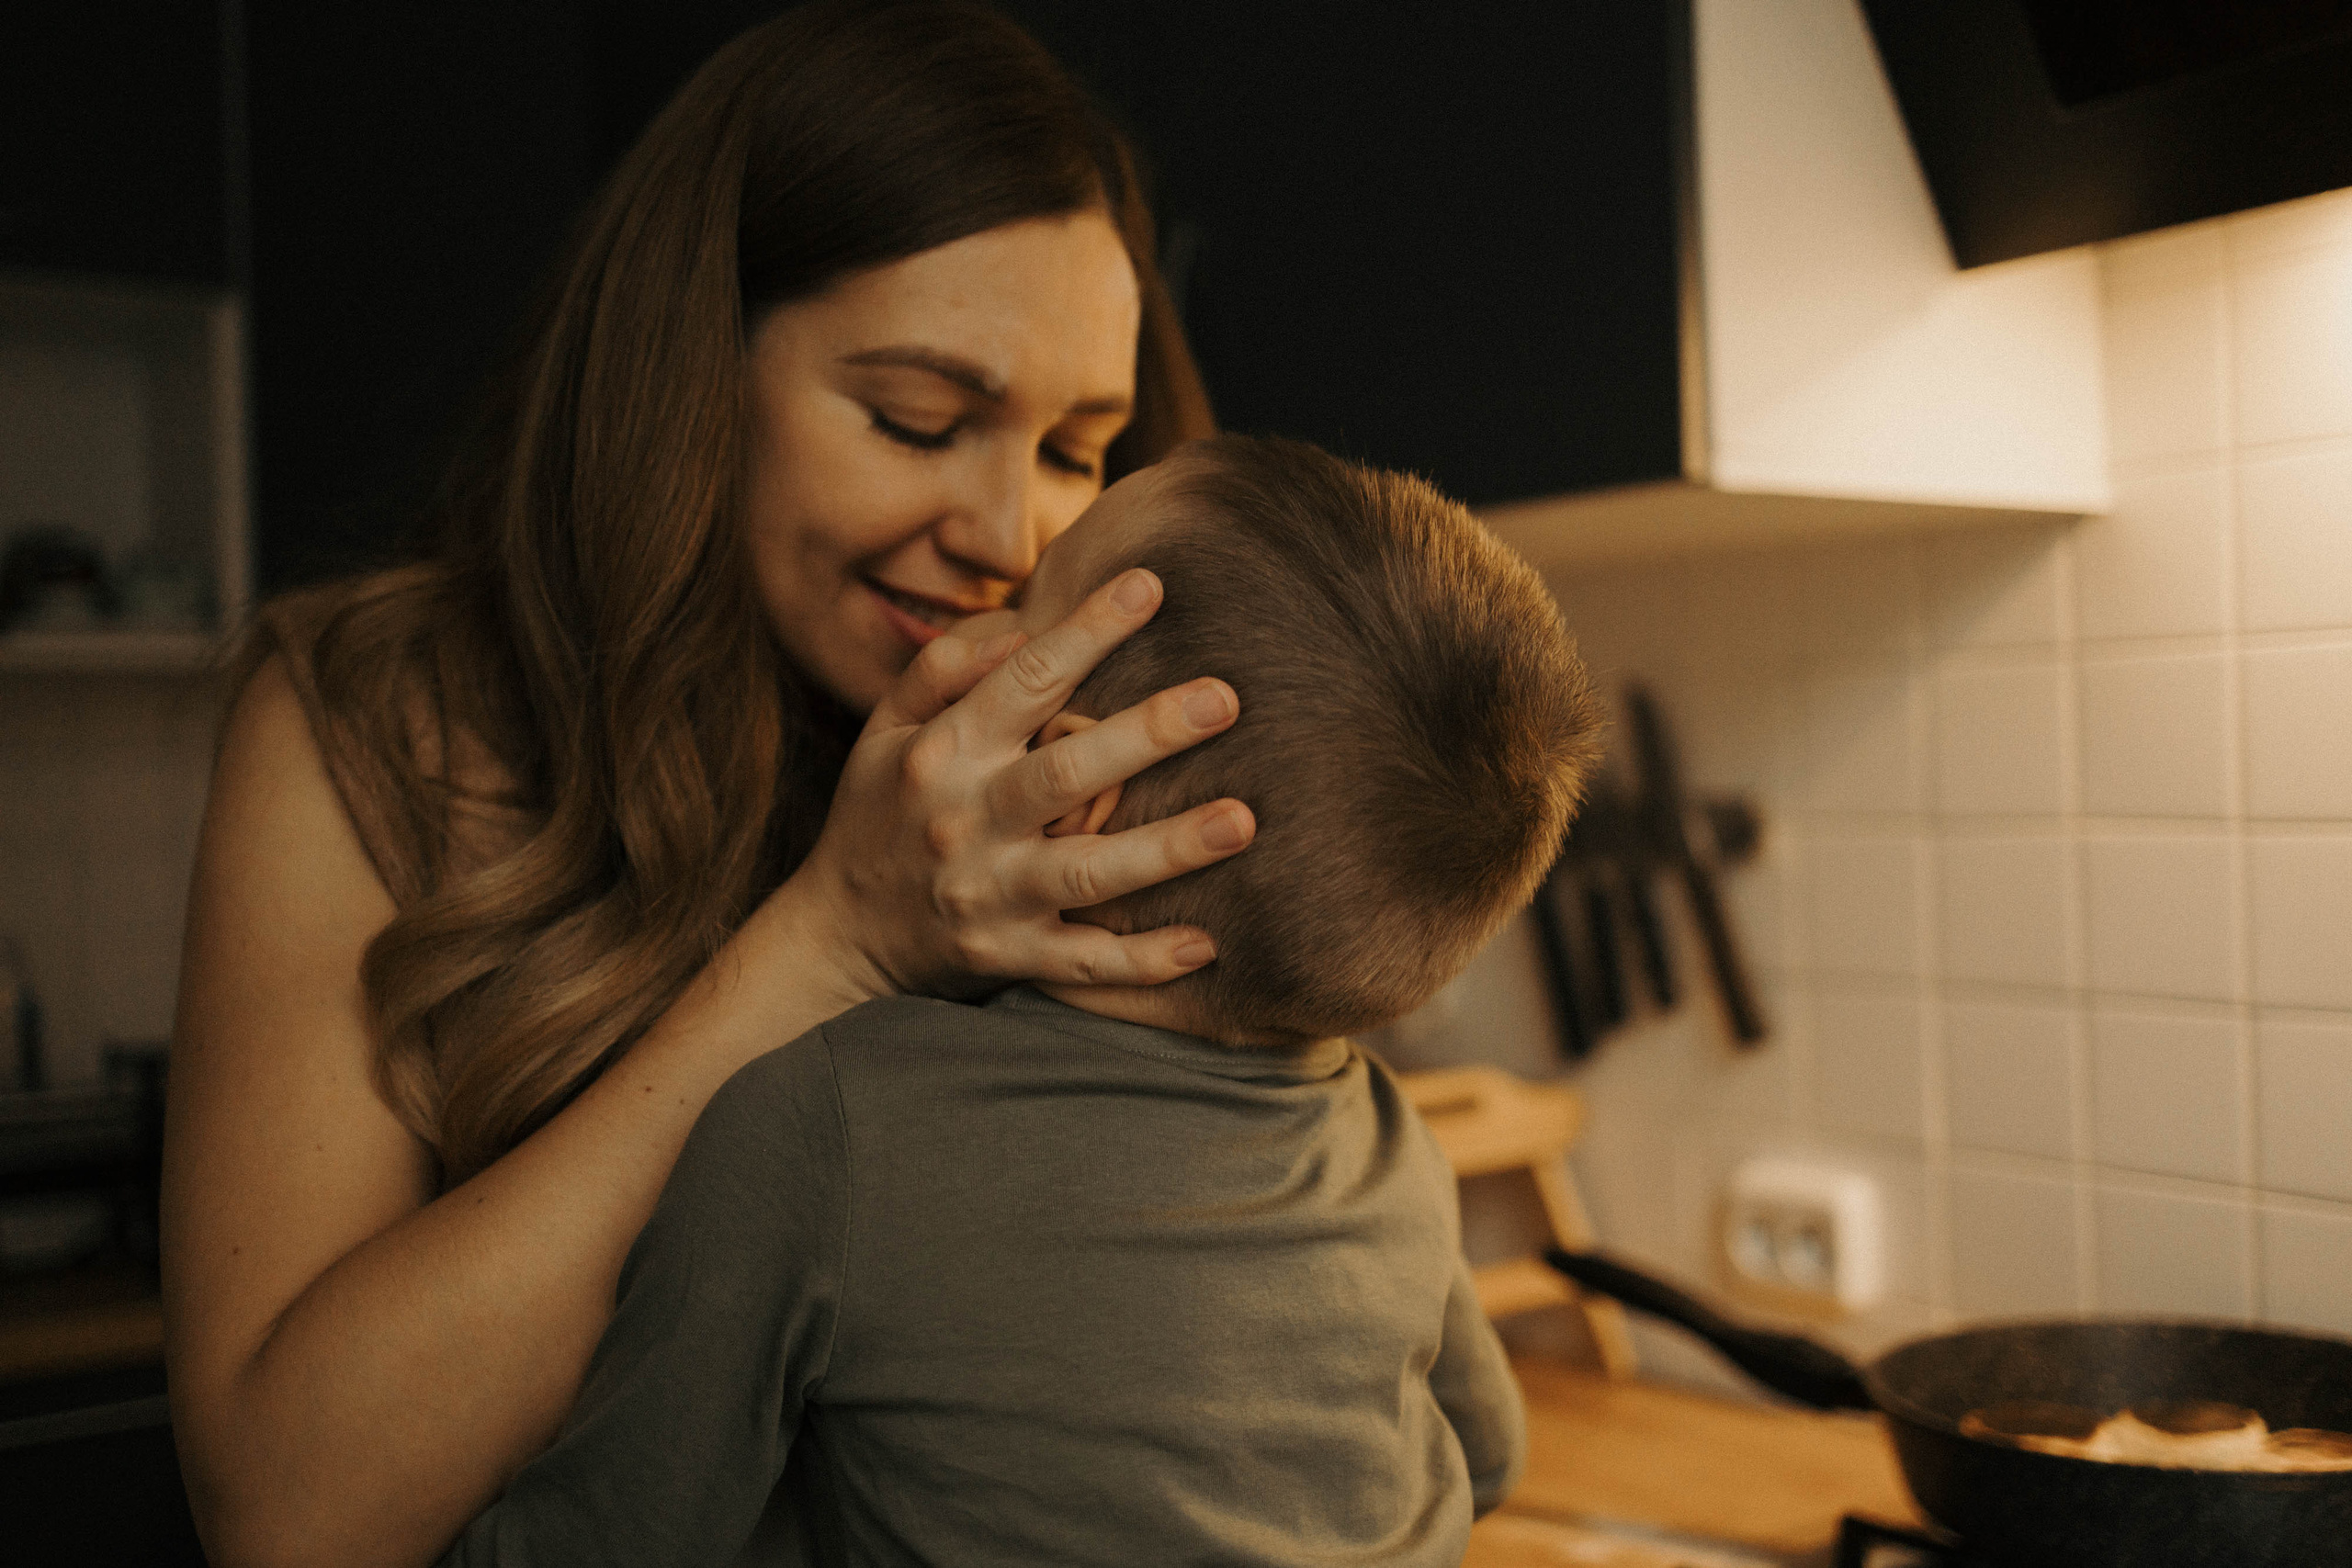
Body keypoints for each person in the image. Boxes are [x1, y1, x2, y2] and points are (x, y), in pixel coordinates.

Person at [160, 7, 1264, 1566]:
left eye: (1080, 446)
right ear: (692, 366)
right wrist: (833, 943)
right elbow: (287, 1511)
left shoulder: (1073, 767)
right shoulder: (377, 720)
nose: (1011, 530)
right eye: (917, 421)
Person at [437, 434, 1603, 1567]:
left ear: (1068, 786)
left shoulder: (821, 1125)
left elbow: (612, 1536)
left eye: (1029, 603)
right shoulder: (1389, 1143)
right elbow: (1484, 1457)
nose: (988, 587)